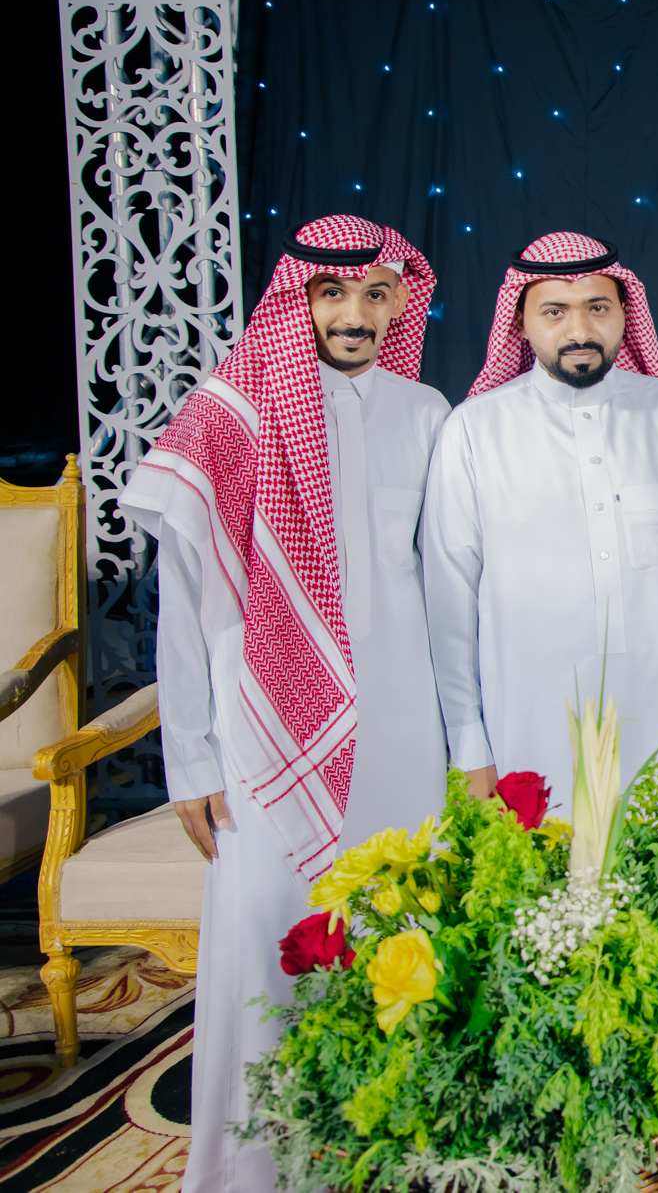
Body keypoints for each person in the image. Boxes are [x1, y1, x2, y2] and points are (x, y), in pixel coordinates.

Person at [119, 215, 468, 1193]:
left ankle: (396, 1157)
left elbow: (446, 581)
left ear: (399, 302)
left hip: (402, 729)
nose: (355, 314)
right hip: (263, 730)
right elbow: (186, 599)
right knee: (271, 942)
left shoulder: (427, 410)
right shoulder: (229, 415)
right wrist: (190, 758)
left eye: (375, 294)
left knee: (399, 941)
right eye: (332, 293)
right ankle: (256, 1170)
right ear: (297, 299)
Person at [421, 232, 658, 816]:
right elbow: (449, 600)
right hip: (530, 723)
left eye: (597, 307)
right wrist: (467, 743)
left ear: (625, 314)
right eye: (555, 312)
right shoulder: (474, 430)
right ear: (520, 323)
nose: (580, 330)